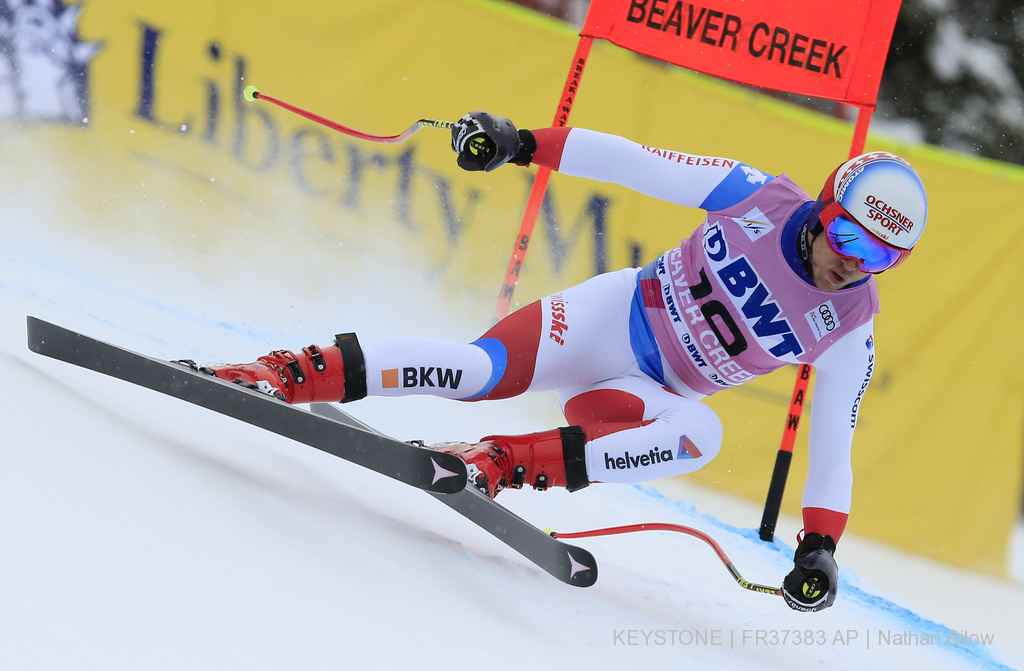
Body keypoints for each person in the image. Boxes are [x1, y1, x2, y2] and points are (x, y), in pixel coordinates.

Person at [201, 112, 928, 612]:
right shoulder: (756, 196)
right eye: (846, 234)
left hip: (643, 397)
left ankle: (497, 461)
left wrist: (820, 546)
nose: (850, 262)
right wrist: (519, 141)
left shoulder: (851, 327)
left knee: (702, 436)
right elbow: (631, 162)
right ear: (826, 204)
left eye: (880, 256)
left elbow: (834, 448)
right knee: (474, 373)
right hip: (610, 321)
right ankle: (287, 372)